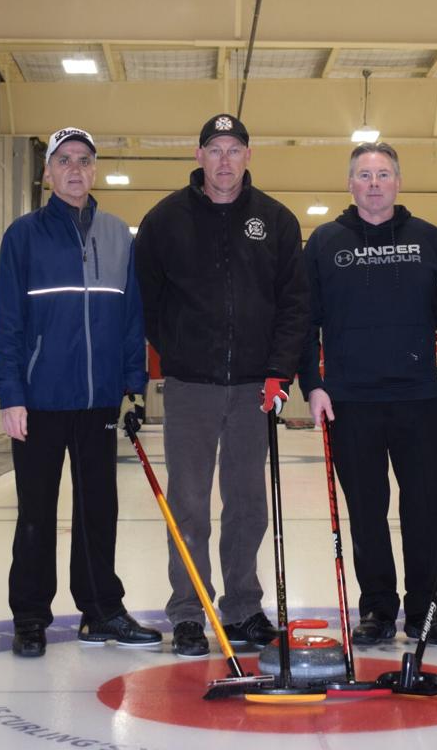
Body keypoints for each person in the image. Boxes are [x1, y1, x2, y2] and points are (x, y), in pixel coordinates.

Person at [134, 114, 310, 657]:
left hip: (255, 386)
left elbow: (293, 305)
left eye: (235, 149)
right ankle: (190, 611)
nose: (225, 160)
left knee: (247, 502)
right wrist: (180, 353)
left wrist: (279, 370)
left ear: (248, 156)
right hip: (191, 387)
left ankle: (241, 608)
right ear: (199, 154)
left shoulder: (275, 221)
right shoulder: (164, 220)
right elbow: (148, 302)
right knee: (187, 502)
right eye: (215, 149)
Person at [0, 127, 161, 657]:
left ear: (94, 169)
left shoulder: (116, 236)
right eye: (63, 161)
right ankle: (31, 617)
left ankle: (101, 610)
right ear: (48, 173)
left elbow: (133, 318)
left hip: (98, 402)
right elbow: (9, 322)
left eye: (84, 161)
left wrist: (133, 387)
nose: (74, 170)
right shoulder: (23, 236)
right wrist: (9, 392)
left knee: (98, 509)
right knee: (36, 511)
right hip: (39, 400)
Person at [298, 142, 437, 646]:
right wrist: (313, 385)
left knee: (423, 510)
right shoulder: (324, 242)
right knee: (366, 511)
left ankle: (427, 611)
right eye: (364, 175)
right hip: (351, 400)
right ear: (350, 184)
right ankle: (377, 611)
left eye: (383, 174)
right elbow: (304, 322)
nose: (373, 183)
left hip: (415, 397)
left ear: (398, 181)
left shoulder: (428, 239)